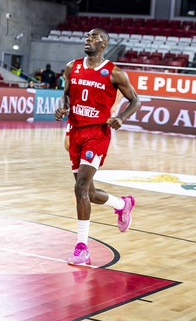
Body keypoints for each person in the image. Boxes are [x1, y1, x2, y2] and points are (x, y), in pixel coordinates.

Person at [54, 28, 141, 266]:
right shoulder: (72, 66)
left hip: (97, 134)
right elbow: (66, 95)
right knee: (89, 194)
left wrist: (121, 117)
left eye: (94, 37)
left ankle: (82, 248)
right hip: (75, 132)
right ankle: (123, 204)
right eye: (87, 36)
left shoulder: (115, 73)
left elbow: (136, 99)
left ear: (103, 44)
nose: (88, 39)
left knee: (80, 187)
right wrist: (62, 107)